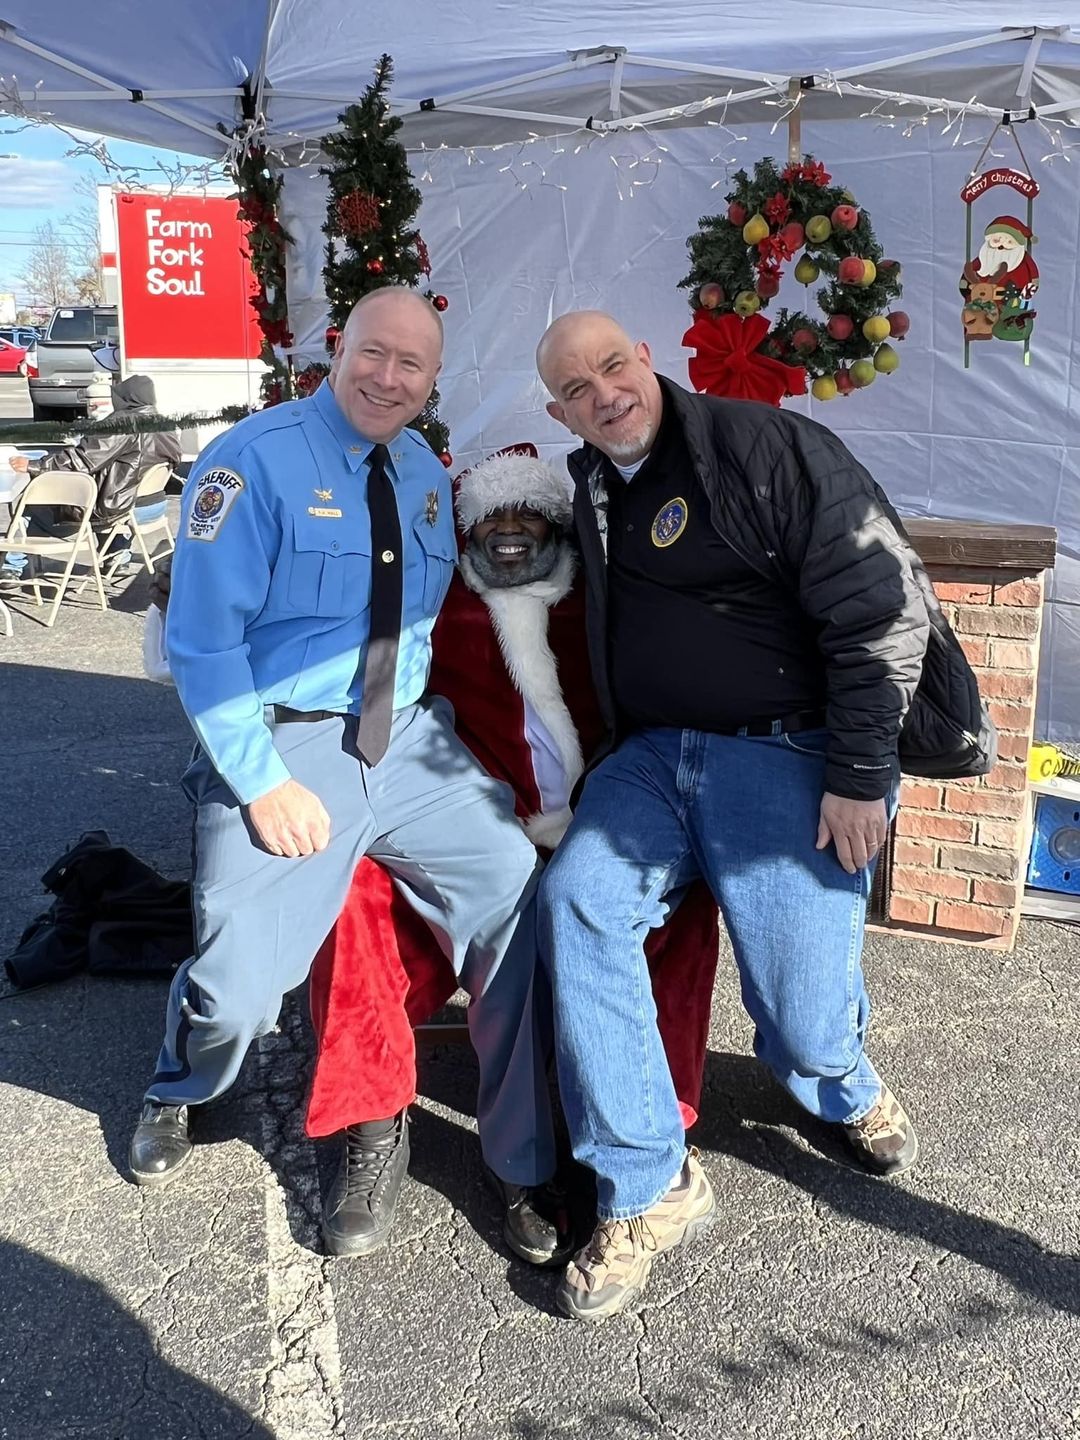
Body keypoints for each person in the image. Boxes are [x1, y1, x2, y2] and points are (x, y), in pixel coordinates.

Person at [130, 289, 566, 1269]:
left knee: (514, 895)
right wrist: (261, 783)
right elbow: (202, 644)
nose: (388, 377)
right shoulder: (251, 462)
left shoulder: (424, 474)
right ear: (338, 350)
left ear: (432, 382)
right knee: (243, 991)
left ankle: (523, 1157)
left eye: (412, 365)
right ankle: (180, 1083)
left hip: (406, 741)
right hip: (286, 744)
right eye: (374, 353)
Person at [534, 310, 932, 1321]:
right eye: (577, 390)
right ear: (560, 413)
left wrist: (859, 772)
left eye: (612, 366)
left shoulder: (763, 445)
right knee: (578, 900)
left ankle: (842, 1082)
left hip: (787, 749)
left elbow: (880, 601)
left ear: (646, 358)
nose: (604, 395)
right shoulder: (591, 484)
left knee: (801, 1020)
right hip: (653, 758)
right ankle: (643, 1183)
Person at [304, 450, 721, 1258]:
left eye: (527, 513)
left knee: (684, 903)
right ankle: (372, 1120)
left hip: (598, 827)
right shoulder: (431, 602)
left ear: (558, 525)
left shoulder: (607, 601)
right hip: (460, 830)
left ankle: (647, 1123)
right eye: (492, 516)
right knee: (353, 895)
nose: (509, 530)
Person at [3, 375, 180, 577]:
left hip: (121, 507)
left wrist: (34, 465)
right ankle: (117, 557)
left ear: (126, 398)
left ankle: (11, 567)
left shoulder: (123, 424)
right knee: (107, 491)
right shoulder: (165, 425)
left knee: (32, 506)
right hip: (153, 505)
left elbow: (82, 460)